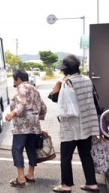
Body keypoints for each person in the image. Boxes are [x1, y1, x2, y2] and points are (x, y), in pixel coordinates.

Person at [50, 55, 100, 193]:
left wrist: (58, 84)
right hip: (87, 124)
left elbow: (54, 98)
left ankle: (66, 185)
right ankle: (92, 184)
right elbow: (96, 100)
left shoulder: (67, 83)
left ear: (65, 70)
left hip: (71, 127)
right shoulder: (87, 80)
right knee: (85, 154)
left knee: (66, 156)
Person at [5, 69, 47, 188]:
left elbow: (22, 104)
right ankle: (31, 174)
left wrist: (12, 114)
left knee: (17, 149)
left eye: (15, 80)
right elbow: (43, 107)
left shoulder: (21, 88)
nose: (15, 82)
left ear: (18, 79)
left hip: (22, 126)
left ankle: (21, 178)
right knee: (31, 149)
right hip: (34, 125)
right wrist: (37, 117)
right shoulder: (35, 90)